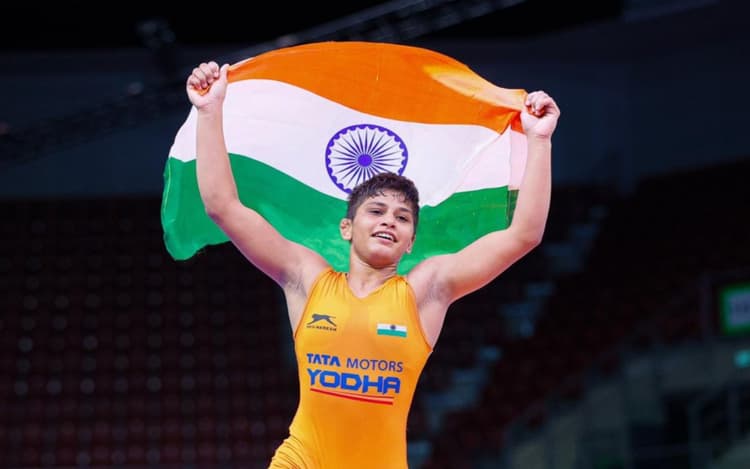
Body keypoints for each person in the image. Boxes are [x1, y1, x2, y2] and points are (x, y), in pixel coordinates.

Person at [186, 59, 560, 469]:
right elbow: (223, 207)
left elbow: (524, 235)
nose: (388, 221)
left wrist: (539, 141)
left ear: (411, 242)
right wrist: (209, 111)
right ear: (347, 228)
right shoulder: (306, 279)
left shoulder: (425, 291)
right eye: (376, 211)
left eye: (402, 218)